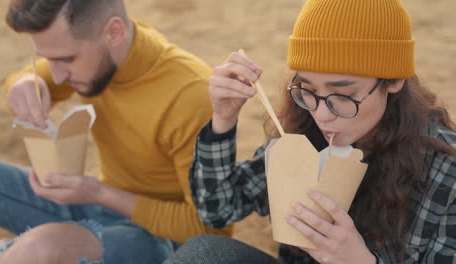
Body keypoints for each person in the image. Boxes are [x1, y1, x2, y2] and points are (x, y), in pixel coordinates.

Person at [163, 0, 456, 263]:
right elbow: (217, 210)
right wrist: (223, 120)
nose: (322, 114)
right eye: (308, 90)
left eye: (344, 95)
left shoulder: (445, 172)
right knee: (204, 254)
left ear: (393, 82)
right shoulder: (301, 128)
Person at [0, 0, 232, 263]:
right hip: (97, 202)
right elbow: (32, 80)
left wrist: (98, 193)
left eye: (66, 59)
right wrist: (24, 82)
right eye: (47, 60)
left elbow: (209, 230)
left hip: (166, 239)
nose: (57, 76)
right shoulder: (99, 55)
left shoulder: (191, 95)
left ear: (114, 32)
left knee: (37, 249)